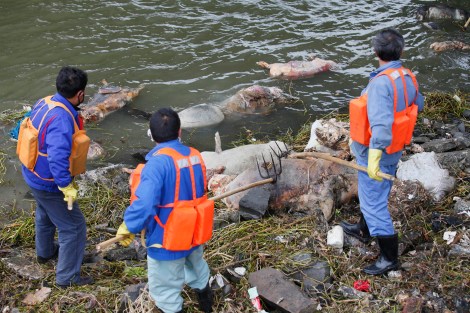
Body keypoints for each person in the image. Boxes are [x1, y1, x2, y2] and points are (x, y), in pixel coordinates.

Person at [342, 29, 424, 275]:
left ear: (375, 52)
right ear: (402, 51)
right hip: (394, 150)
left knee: (374, 205)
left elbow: (381, 127)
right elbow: (417, 104)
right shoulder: (407, 76)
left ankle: (389, 259)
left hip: (375, 152)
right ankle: (364, 230)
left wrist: (374, 158)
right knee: (372, 197)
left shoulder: (380, 84)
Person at [116, 108, 213, 313]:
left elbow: (145, 204)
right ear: (179, 132)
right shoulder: (195, 155)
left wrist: (129, 225)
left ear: (151, 135)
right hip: (194, 229)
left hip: (168, 236)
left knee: (165, 289)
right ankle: (206, 304)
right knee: (197, 268)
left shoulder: (156, 164)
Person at [20, 66, 93, 287]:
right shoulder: (61, 119)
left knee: (45, 214)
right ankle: (67, 279)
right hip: (49, 183)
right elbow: (57, 157)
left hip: (32, 175)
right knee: (74, 227)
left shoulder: (45, 102)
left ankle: (45, 253)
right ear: (80, 94)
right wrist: (65, 186)